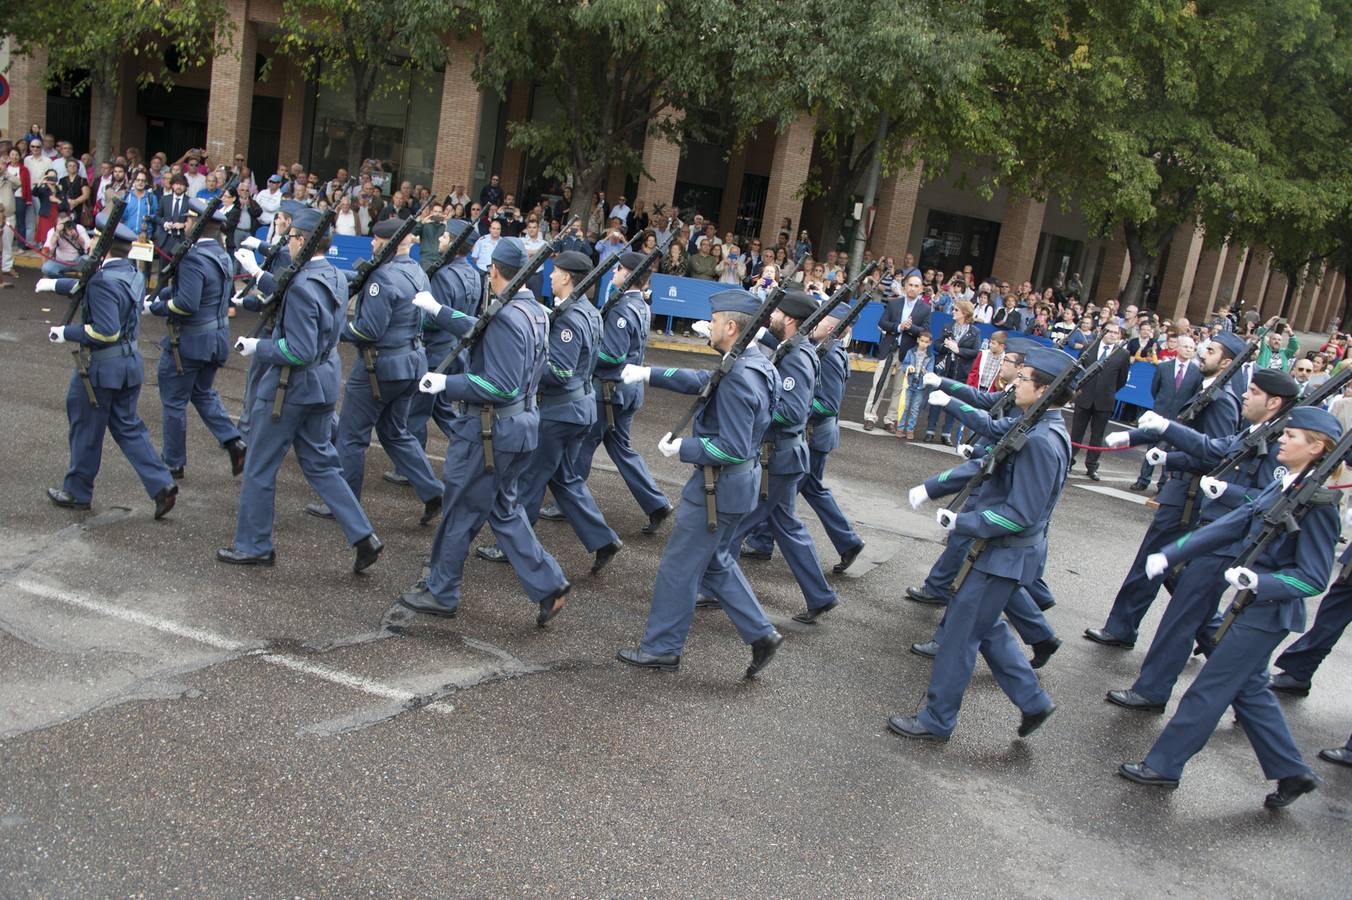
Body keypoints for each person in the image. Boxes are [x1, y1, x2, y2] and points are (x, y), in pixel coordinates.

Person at [1118, 406, 1342, 809]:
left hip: (1267, 613)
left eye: (1292, 436)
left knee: (1210, 689)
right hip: (1250, 604)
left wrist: (1262, 582)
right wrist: (1172, 552)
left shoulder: (1319, 504)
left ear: (1316, 447)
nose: (1283, 439)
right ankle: (1292, 771)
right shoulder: (1288, 486)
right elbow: (1233, 523)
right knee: (1250, 688)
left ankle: (1164, 765)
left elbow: (1312, 577)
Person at [889, 347, 1076, 742]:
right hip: (999, 553)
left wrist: (964, 521)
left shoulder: (1042, 440)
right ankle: (1033, 701)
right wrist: (934, 487)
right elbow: (987, 459)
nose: (1015, 382)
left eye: (1023, 378)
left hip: (1004, 554)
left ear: (1043, 390)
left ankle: (937, 721)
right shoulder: (1033, 424)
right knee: (986, 628)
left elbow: (1019, 514)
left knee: (960, 633)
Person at [1102, 368, 1301, 712]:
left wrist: (1229, 491)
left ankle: (1152, 691)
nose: (1244, 395)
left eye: (1252, 391)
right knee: (1199, 617)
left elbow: (1269, 500)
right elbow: (1211, 449)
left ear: (1273, 402)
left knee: (1183, 617)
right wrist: (1161, 435)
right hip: (1213, 534)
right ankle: (1247, 692)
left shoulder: (1275, 444)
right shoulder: (1256, 432)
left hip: (1227, 542)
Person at [400, 238, 572, 626]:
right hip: (519, 428)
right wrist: (439, 310)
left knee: (460, 507)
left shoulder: (509, 316)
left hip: (490, 432)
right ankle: (549, 584)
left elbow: (499, 384)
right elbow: (484, 328)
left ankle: (441, 591)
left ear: (493, 271)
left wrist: (446, 385)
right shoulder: (534, 311)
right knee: (505, 510)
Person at [615, 289, 783, 675]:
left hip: (716, 488)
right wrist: (648, 374)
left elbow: (733, 448)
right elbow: (703, 380)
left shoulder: (741, 375)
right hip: (734, 487)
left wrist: (686, 447)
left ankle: (661, 648)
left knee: (679, 568)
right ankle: (761, 634)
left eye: (713, 321)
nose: (708, 326)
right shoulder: (751, 362)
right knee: (715, 564)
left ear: (730, 326)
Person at [218, 207, 384, 573]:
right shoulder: (334, 275)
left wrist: (255, 347)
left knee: (260, 466)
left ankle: (254, 544)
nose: (287, 242)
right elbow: (293, 291)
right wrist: (259, 275)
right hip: (322, 382)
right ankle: (363, 535)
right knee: (323, 465)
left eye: (291, 237)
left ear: (301, 242)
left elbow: (298, 349)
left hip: (289, 388)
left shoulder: (303, 285)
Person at [1085, 330, 1247, 648]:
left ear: (1227, 362)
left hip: (1189, 495)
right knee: (1173, 569)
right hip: (1181, 491)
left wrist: (1171, 457)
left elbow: (1214, 455)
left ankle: (1124, 629)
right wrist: (1131, 438)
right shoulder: (1204, 389)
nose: (1202, 352)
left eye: (1210, 350)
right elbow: (1177, 424)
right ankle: (1211, 635)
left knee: (1158, 562)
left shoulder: (1222, 401)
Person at [472, 251, 623, 573]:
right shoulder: (589, 311)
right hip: (579, 408)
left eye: (555, 272)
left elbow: (562, 371)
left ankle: (510, 547)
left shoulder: (568, 317)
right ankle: (603, 538)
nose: (551, 277)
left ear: (567, 277)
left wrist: (528, 363)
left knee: (527, 479)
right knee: (564, 478)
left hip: (560, 413)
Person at [301, 216, 444, 527]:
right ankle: (432, 490)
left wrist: (337, 329)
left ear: (386, 243)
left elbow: (369, 330)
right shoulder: (418, 271)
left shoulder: (383, 278)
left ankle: (344, 504)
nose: (373, 244)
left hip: (379, 367)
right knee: (395, 432)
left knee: (351, 436)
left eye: (377, 240)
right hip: (411, 362)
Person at [36, 243, 178, 518]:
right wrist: (52, 284)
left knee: (85, 427)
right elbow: (87, 288)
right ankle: (162, 484)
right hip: (129, 365)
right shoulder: (133, 273)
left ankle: (77, 491)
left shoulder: (102, 281)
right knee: (128, 427)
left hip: (102, 368)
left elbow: (105, 331)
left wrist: (67, 332)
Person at [569, 251, 672, 533]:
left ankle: (570, 501)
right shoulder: (640, 305)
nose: (614, 273)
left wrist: (585, 352)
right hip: (628, 390)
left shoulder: (621, 308)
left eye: (618, 269)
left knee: (582, 443)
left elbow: (613, 355)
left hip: (609, 391)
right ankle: (656, 503)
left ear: (627, 275)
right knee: (621, 449)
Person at [145, 208, 247, 480]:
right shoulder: (221, 255)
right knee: (202, 392)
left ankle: (173, 462)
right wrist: (159, 297)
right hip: (216, 338)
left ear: (198, 224)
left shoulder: (192, 257)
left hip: (190, 341)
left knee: (174, 401)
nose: (185, 222)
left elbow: (186, 303)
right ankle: (233, 440)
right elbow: (197, 290)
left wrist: (157, 308)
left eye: (189, 218)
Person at [401, 219, 482, 454]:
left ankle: (409, 467)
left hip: (435, 353)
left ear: (455, 243)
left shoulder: (444, 275)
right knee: (442, 410)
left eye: (445, 236)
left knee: (415, 413)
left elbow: (434, 318)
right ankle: (469, 448)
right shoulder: (473, 274)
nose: (440, 238)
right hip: (453, 350)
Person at [230, 200, 301, 442]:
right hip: (279, 327)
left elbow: (274, 294)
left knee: (257, 380)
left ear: (289, 222)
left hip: (273, 327)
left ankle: (246, 433)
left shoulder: (284, 254)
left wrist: (250, 300)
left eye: (280, 217)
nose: (276, 221)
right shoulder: (281, 248)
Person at [1129, 334, 1200, 491]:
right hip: (1159, 412)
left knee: (1170, 452)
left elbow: (1194, 397)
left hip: (1178, 419)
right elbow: (1155, 389)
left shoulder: (1197, 373)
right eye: (1186, 346)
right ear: (1178, 348)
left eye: (1191, 348)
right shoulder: (1163, 367)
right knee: (1152, 447)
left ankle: (1162, 484)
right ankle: (1143, 479)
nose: (1188, 350)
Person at [862, 274, 930, 431]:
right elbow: (882, 322)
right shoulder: (894, 303)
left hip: (907, 354)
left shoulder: (925, 309)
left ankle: (890, 420)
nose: (912, 288)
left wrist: (910, 328)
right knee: (878, 384)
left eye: (916, 286)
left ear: (920, 289)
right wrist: (899, 327)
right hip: (889, 349)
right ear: (905, 286)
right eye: (910, 285)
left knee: (899, 388)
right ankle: (870, 417)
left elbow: (925, 331)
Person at [1067, 322, 1131, 480]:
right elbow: (1078, 369)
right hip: (1084, 397)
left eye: (1116, 333)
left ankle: (1092, 466)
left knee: (1097, 436)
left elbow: (1121, 380)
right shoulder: (1089, 347)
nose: (1112, 335)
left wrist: (1107, 391)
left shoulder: (1122, 354)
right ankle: (1069, 461)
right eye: (1109, 331)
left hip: (1105, 401)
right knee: (1076, 433)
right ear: (1102, 332)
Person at [923, 301, 980, 445]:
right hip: (944, 368)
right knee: (936, 398)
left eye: (956, 310)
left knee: (953, 402)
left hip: (960, 371)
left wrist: (958, 350)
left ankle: (946, 434)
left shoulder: (975, 332)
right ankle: (930, 431)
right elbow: (937, 344)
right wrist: (946, 346)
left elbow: (974, 352)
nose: (953, 311)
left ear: (965, 313)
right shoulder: (948, 327)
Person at [897, 332, 935, 440]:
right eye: (922, 341)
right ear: (918, 340)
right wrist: (908, 368)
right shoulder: (911, 352)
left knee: (914, 409)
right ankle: (900, 428)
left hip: (921, 387)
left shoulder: (931, 356)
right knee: (904, 406)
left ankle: (910, 430)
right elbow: (903, 365)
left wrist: (925, 372)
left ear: (929, 343)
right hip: (909, 384)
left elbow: (930, 373)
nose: (923, 344)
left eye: (926, 342)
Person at [40, 211, 92, 277]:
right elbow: (48, 250)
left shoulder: (78, 228)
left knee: (89, 261)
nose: (65, 226)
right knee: (46, 268)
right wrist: (56, 233)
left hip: (78, 260)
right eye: (62, 224)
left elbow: (88, 247)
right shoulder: (53, 231)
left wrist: (76, 236)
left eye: (67, 223)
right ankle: (64, 281)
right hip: (61, 262)